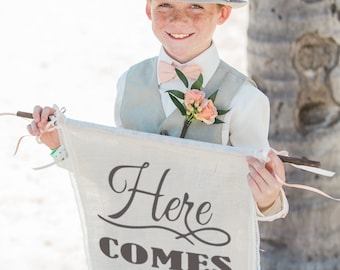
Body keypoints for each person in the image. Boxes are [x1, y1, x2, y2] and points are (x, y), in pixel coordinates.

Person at [27, 0, 288, 221]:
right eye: (165, 4)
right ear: (149, 8)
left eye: (196, 6)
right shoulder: (129, 81)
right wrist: (59, 143)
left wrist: (267, 200)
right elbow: (117, 173)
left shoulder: (245, 98)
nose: (179, 19)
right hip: (138, 249)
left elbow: (253, 204)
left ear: (222, 13)